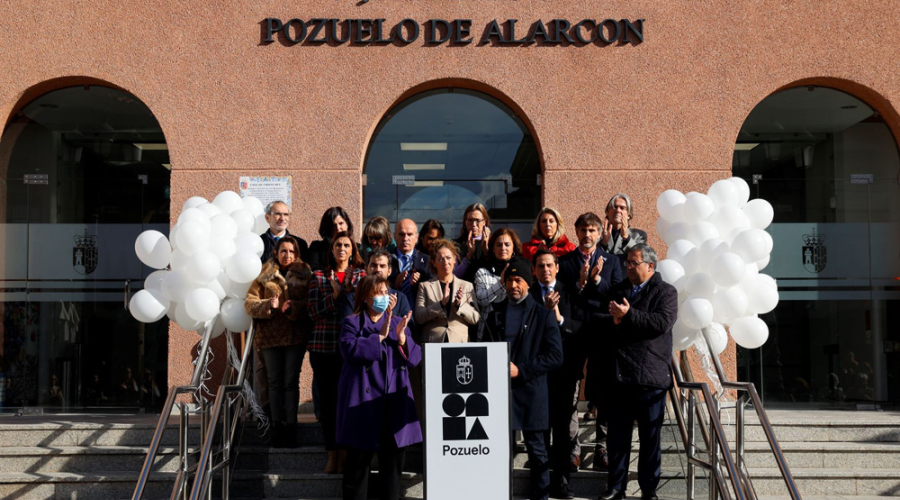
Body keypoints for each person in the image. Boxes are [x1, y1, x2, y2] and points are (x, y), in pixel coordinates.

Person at [596, 244, 676, 500]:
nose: (629, 267)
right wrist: (616, 321)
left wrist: (628, 315)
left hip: (650, 377)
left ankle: (648, 489)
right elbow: (601, 318)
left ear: (650, 266)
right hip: (619, 376)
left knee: (649, 438)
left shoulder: (665, 292)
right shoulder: (618, 290)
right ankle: (616, 487)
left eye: (635, 263)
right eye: (628, 262)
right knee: (617, 438)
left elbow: (661, 323)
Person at [482, 257, 563, 500]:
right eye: (509, 280)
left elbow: (556, 356)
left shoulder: (543, 315)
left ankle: (541, 497)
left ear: (530, 282)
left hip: (531, 393)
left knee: (537, 452)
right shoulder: (494, 313)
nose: (513, 285)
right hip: (498, 393)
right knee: (498, 452)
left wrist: (523, 370)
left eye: (518, 280)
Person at [337, 275, 421, 500]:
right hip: (362, 404)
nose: (383, 297)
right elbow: (348, 350)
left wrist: (402, 339)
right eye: (377, 293)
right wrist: (380, 337)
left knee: (392, 469)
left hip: (393, 402)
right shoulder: (351, 322)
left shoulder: (398, 322)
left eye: (385, 292)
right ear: (365, 297)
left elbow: (415, 358)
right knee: (357, 467)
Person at [558, 212, 624, 471]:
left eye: (592, 230)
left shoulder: (613, 261)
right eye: (583, 230)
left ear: (599, 234)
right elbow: (561, 295)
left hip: (602, 333)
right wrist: (580, 282)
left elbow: (617, 293)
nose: (587, 235)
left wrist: (596, 280)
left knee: (603, 393)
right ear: (576, 232)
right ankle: (572, 449)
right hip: (572, 333)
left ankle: (602, 449)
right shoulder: (564, 263)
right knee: (570, 394)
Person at [244, 236, 312, 448]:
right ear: (276, 253)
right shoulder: (263, 275)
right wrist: (268, 305)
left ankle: (291, 427)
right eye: (283, 251)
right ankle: (276, 427)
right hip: (269, 337)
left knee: (290, 381)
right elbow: (249, 304)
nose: (287, 255)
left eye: (291, 251)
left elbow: (311, 303)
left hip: (294, 336)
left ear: (297, 253)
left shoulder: (305, 273)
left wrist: (293, 307)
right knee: (274, 382)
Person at [308, 231, 366, 472]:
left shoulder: (362, 276)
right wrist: (333, 296)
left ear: (353, 250)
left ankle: (346, 453)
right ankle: (332, 454)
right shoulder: (319, 276)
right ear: (331, 250)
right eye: (337, 245)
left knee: (350, 402)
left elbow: (366, 311)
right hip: (324, 348)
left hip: (351, 350)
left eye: (346, 245)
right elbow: (312, 312)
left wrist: (346, 294)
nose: (342, 248)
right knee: (330, 405)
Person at [530, 249, 585, 499]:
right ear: (534, 270)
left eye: (549, 265)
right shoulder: (529, 294)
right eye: (540, 266)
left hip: (564, 371)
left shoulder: (570, 291)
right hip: (537, 373)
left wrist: (559, 317)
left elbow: (581, 326)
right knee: (539, 429)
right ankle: (540, 482)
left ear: (557, 267)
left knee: (563, 430)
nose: (545, 270)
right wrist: (543, 311)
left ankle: (562, 480)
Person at [413, 238, 480, 421]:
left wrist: (459, 306)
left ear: (455, 259)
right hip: (433, 346)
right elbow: (418, 316)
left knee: (457, 392)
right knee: (434, 392)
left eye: (449, 258)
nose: (446, 262)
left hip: (459, 347)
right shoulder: (425, 287)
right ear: (433, 262)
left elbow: (475, 318)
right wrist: (440, 305)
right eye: (440, 258)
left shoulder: (466, 286)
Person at [340, 249, 413, 322]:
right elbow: (346, 327)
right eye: (373, 265)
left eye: (382, 266)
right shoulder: (353, 298)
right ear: (366, 268)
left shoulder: (400, 298)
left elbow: (408, 328)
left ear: (389, 271)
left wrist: (390, 313)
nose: (378, 269)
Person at [474, 228, 523, 331]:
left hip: (515, 327)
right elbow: (481, 300)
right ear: (493, 248)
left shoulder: (521, 271)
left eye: (507, 244)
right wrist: (500, 283)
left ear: (513, 247)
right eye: (499, 245)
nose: (503, 248)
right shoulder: (483, 272)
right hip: (489, 330)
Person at [389, 219, 431, 308]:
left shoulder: (427, 260)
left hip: (418, 312)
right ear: (395, 236)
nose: (405, 238)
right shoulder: (385, 259)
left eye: (410, 234)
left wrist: (420, 282)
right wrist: (395, 285)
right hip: (391, 312)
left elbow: (432, 290)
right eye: (401, 234)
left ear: (416, 237)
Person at [601, 194, 648, 270]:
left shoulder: (638, 235)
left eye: (622, 208)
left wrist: (627, 239)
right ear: (607, 212)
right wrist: (603, 244)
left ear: (629, 215)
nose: (618, 210)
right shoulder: (598, 233)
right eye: (614, 207)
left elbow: (641, 257)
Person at [307, 207, 354, 271]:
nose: (338, 228)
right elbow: (313, 269)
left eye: (341, 223)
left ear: (347, 224)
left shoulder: (357, 247)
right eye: (334, 225)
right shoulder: (317, 247)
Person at [453, 203, 491, 282]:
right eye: (470, 220)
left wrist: (486, 250)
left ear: (485, 222)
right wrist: (468, 256)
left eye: (477, 220)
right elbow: (454, 275)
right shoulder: (456, 245)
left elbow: (497, 271)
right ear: (465, 222)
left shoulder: (493, 243)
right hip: (463, 290)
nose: (473, 224)